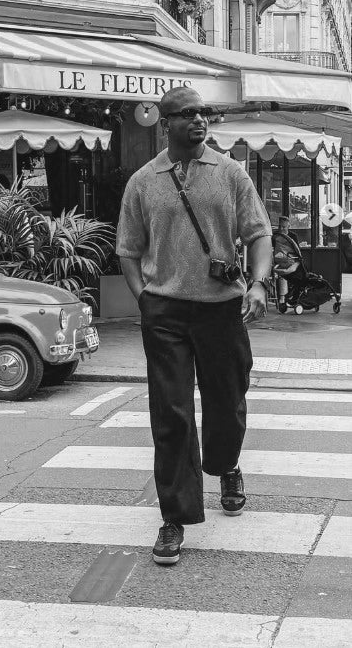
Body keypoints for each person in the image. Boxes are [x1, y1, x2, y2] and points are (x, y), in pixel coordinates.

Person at [116, 88, 273, 566]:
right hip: (165, 312)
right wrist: (145, 300)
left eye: (203, 112)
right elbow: (128, 250)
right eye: (187, 114)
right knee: (172, 413)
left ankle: (226, 464)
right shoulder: (143, 181)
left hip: (221, 309)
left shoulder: (231, 173)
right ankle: (174, 516)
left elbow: (258, 233)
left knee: (227, 398)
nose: (199, 120)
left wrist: (259, 284)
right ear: (166, 123)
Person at [272, 216, 301, 305]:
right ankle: (282, 298)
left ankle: (293, 297)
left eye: (284, 227)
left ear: (288, 226)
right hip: (279, 261)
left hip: (292, 260)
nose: (281, 229)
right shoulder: (275, 236)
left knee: (299, 275)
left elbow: (297, 250)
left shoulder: (293, 236)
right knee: (282, 273)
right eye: (280, 226)